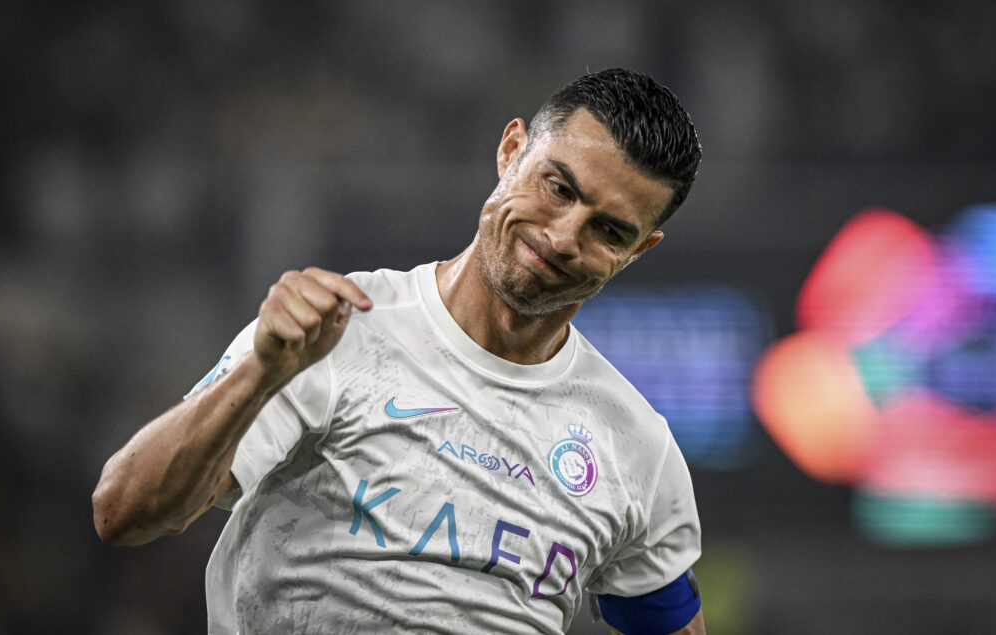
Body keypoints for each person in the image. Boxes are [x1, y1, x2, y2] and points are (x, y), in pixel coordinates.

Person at [93, 68, 706, 635]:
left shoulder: (635, 447)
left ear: (639, 250)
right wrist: (260, 373)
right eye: (558, 188)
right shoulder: (340, 332)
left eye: (609, 230)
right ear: (511, 150)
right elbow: (125, 512)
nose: (563, 237)